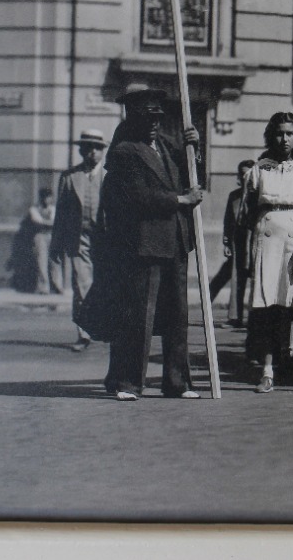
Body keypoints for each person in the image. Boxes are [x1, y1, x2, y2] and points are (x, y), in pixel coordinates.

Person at [95, 86, 204, 401]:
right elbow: (136, 197)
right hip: (144, 244)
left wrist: (195, 151)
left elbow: (194, 180)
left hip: (176, 241)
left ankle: (177, 382)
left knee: (177, 316)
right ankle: (129, 382)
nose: (155, 122)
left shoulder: (168, 147)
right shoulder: (124, 151)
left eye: (158, 115)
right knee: (139, 316)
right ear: (133, 117)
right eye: (148, 116)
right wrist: (180, 199)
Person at [245, 112, 293, 394]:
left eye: (289, 133)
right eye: (279, 133)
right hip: (266, 236)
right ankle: (267, 372)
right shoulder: (260, 168)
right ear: (271, 135)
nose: (284, 139)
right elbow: (250, 208)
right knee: (268, 306)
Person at [50, 129, 108, 351]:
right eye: (87, 147)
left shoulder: (111, 176)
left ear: (103, 151)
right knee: (81, 285)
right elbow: (61, 214)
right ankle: (83, 334)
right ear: (81, 150)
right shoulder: (69, 177)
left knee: (105, 286)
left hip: (105, 240)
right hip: (79, 239)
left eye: (96, 147)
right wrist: (56, 244)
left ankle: (105, 328)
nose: (92, 152)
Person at [207, 159, 255, 327]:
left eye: (248, 174)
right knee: (233, 279)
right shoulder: (234, 196)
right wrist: (226, 243)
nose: (244, 177)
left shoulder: (259, 196)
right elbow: (228, 221)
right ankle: (235, 318)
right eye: (242, 174)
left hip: (254, 243)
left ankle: (256, 321)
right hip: (238, 245)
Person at [28, 188, 58, 294]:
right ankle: (43, 288)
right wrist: (49, 222)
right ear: (42, 198)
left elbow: (56, 221)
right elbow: (37, 221)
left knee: (55, 262)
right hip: (40, 236)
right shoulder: (34, 209)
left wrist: (48, 222)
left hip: (52, 236)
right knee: (42, 261)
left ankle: (57, 286)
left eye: (50, 197)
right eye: (46, 197)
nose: (48, 200)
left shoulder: (53, 208)